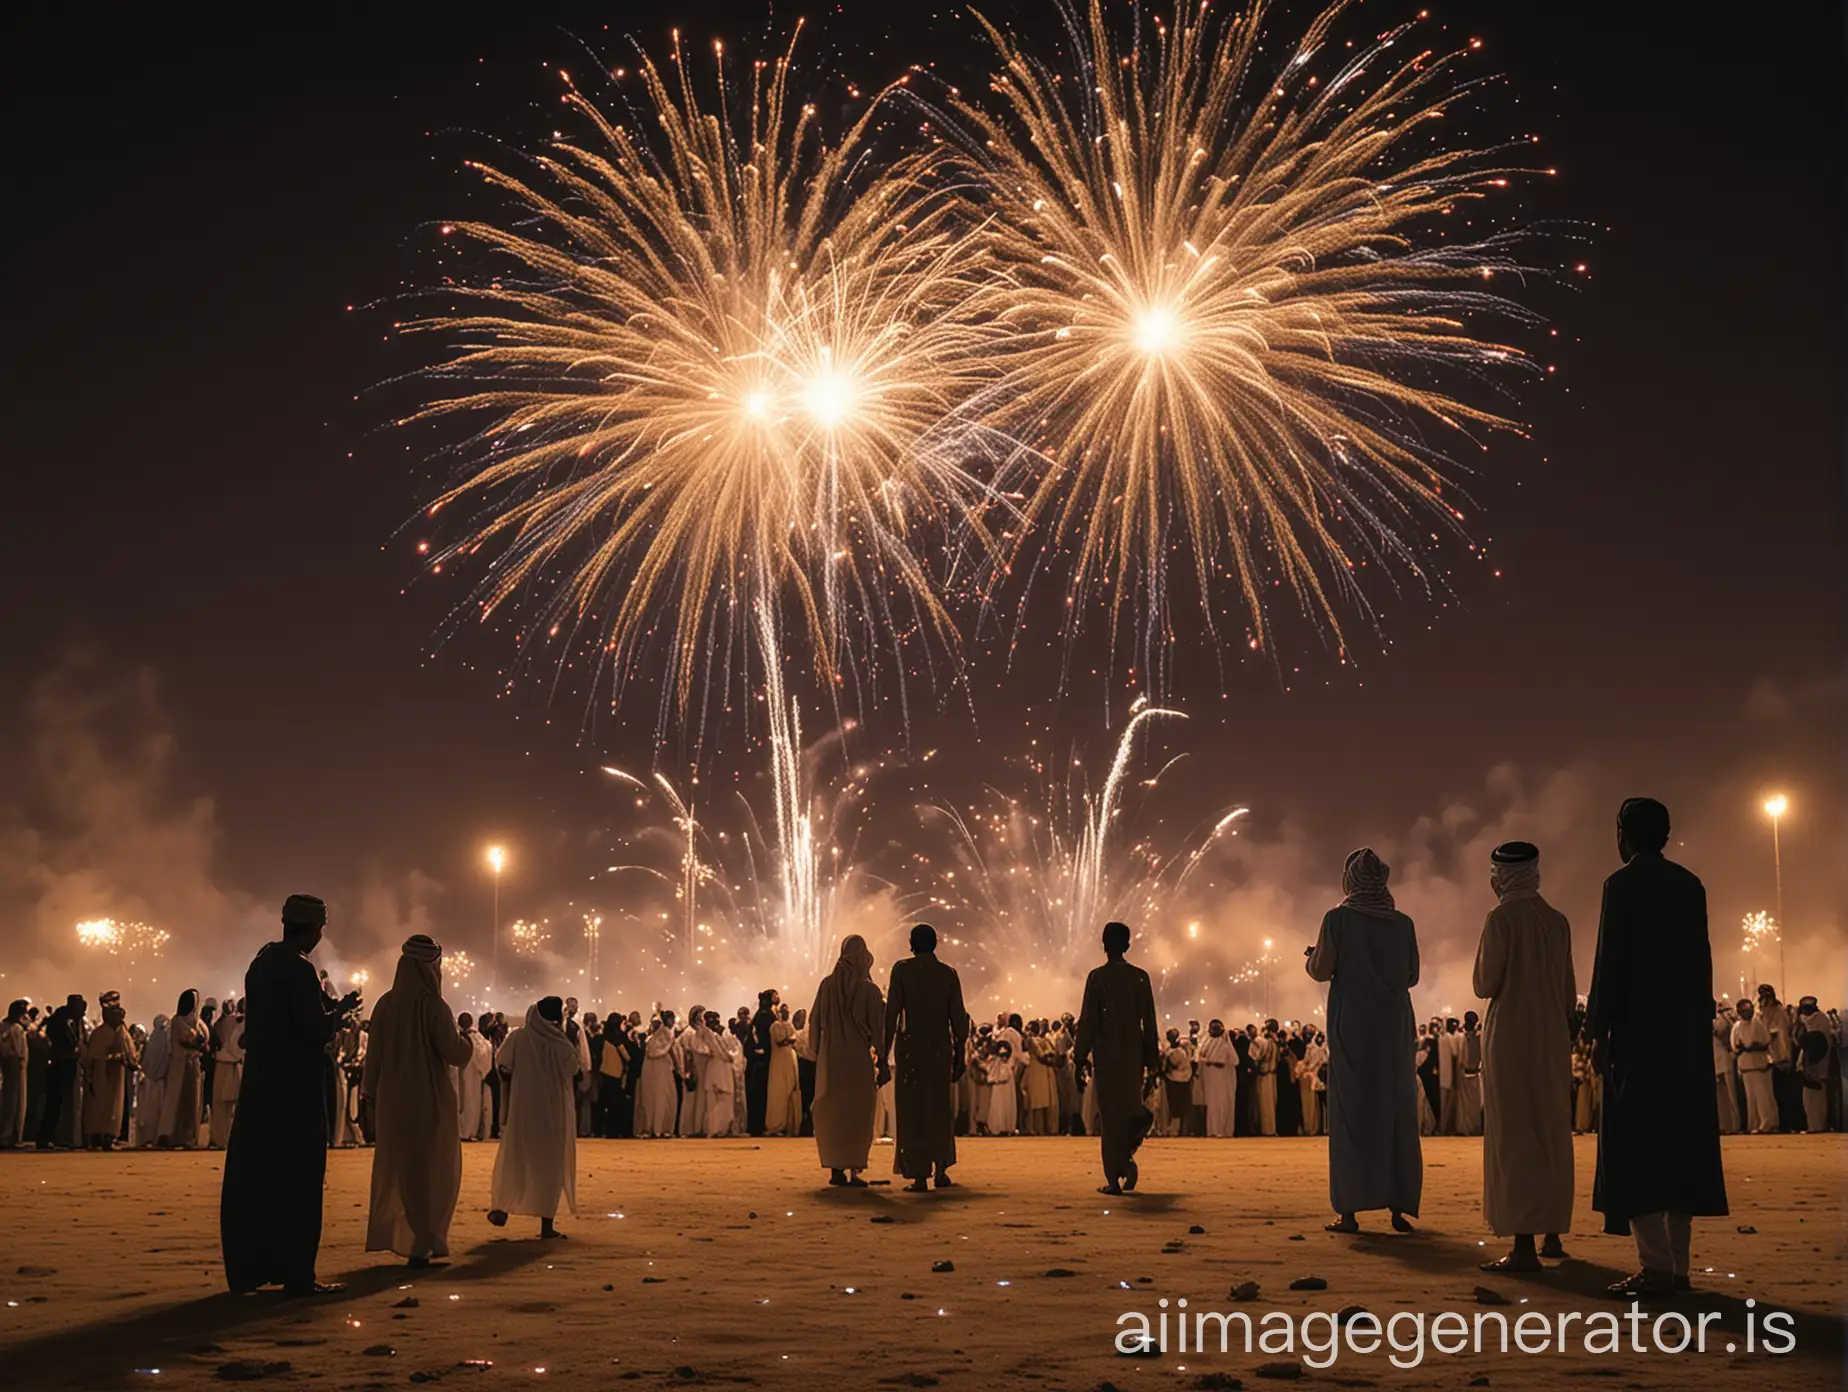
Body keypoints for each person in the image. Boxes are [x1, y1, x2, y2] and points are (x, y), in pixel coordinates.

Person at [1583, 798, 1729, 1297]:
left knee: (1638, 1149)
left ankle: (1655, 1268)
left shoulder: (1621, 886)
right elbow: (1702, 961)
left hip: (1638, 1040)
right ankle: (1679, 1268)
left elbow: (1610, 962)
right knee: (1681, 1148)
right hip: (1684, 1040)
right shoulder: (1690, 886)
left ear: (1624, 834)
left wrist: (1596, 1031)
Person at [221, 894, 362, 1296]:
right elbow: (312, 1030)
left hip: (262, 1086)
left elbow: (283, 1018)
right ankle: (297, 1274)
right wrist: (340, 1014)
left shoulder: (262, 962)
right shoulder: (299, 969)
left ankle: (253, 1268)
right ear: (314, 929)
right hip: (295, 1091)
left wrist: (331, 1007)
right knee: (298, 1179)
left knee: (260, 1177)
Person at [1306, 848, 1422, 1234]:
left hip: (1353, 1027)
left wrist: (1314, 958)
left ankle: (1350, 1210)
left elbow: (1321, 970)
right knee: (1394, 1109)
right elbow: (1411, 975)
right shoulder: (1403, 923)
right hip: (1392, 1028)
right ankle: (1398, 1207)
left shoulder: (1337, 919)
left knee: (1352, 1111)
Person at [1472, 841, 1576, 1272]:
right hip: (1552, 1037)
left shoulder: (1501, 918)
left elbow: (1483, 983)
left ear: (1503, 876)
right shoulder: (1557, 920)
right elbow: (1569, 994)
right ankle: (1552, 1233)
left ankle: (1522, 1247)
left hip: (1511, 1038)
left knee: (1515, 1134)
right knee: (1551, 1127)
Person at [362, 935, 474, 1266]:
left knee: (405, 1169)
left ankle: (415, 1238)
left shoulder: (384, 1004)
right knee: (431, 1168)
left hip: (391, 1101)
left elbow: (374, 1059)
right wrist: (468, 1040)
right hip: (428, 1100)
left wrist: (368, 1097)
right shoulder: (434, 1007)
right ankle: (424, 1240)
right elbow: (454, 1054)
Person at [1074, 921, 1161, 1195]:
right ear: (1128, 945)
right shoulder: (1140, 977)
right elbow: (1150, 1022)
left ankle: (1115, 1175)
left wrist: (1079, 1058)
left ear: (1103, 945)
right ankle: (1126, 1159)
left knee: (1111, 1116)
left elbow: (1088, 1021)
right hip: (1133, 1056)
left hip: (1107, 1056)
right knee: (1131, 1111)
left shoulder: (1097, 978)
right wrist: (1153, 1063)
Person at [881, 923, 969, 1192]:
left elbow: (891, 1014)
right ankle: (941, 1169)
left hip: (910, 1051)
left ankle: (919, 1175)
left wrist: (883, 1055)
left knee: (913, 1110)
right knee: (939, 1108)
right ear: (935, 944)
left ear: (911, 944)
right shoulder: (947, 974)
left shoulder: (902, 970)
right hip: (940, 1050)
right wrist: (960, 1055)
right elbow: (959, 1020)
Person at [488, 997, 580, 1239]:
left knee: (515, 1156)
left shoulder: (519, 1037)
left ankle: (502, 1206)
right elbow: (572, 1068)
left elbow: (502, 1063)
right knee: (549, 1165)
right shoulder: (559, 1042)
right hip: (552, 1111)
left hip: (523, 1109)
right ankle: (546, 1225)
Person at [809, 934, 885, 1187]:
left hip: (831, 1060)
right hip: (858, 1061)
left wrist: (818, 1053)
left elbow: (814, 1021)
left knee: (832, 1113)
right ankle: (854, 1167)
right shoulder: (869, 990)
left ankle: (835, 1169)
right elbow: (878, 1030)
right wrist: (882, 1059)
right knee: (857, 1112)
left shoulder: (826, 986)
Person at [81, 1000, 138, 1149]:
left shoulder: (122, 1033)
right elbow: (93, 1055)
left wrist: (126, 1059)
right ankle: (95, 1136)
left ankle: (110, 1136)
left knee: (115, 1106)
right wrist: (109, 1058)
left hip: (117, 1074)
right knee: (99, 1105)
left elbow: (131, 1053)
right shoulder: (99, 1033)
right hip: (101, 1073)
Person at [158, 990, 209, 1149]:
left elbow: (204, 1041)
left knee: (192, 1100)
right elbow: (186, 1041)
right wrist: (197, 1043)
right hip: (180, 1064)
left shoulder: (198, 1022)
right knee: (175, 1098)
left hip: (193, 1065)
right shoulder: (178, 1021)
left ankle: (188, 1137)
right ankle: (168, 1134)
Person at [1730, 999, 1776, 1133]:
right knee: (1751, 1100)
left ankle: (1767, 1123)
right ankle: (1754, 1125)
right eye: (1744, 1010)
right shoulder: (1737, 1026)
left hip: (1759, 1066)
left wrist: (1751, 1047)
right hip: (1745, 1066)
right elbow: (1734, 1046)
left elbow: (1765, 1042)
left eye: (1749, 1009)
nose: (1747, 1012)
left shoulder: (1757, 1023)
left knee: (1763, 1097)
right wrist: (1742, 1048)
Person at [635, 1011, 680, 1138]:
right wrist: (679, 1068)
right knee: (660, 1097)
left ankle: (654, 1127)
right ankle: (659, 1128)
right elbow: (671, 1052)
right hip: (660, 1070)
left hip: (656, 1069)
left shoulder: (653, 1037)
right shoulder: (665, 1035)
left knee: (656, 1097)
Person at [210, 1000, 245, 1148]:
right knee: (222, 1106)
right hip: (227, 1065)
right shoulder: (234, 1021)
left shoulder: (241, 1022)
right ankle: (221, 1139)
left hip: (232, 1065)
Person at [455, 1012, 494, 1141]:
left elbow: (485, 1057)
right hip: (459, 1077)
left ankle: (468, 1131)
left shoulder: (477, 1039)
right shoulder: (457, 1036)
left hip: (471, 1077)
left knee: (470, 1103)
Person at [1195, 1019, 1236, 1137]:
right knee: (1211, 1105)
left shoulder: (1225, 1043)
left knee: (1221, 1104)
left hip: (1221, 1080)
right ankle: (1212, 1130)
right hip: (1209, 1078)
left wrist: (1211, 1061)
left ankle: (1221, 1130)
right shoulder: (1206, 1041)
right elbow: (1200, 1056)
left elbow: (1228, 1061)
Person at [767, 1004, 802, 1136]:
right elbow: (780, 1042)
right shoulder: (776, 1026)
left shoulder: (790, 1026)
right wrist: (789, 1040)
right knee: (779, 1093)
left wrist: (789, 1041)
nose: (786, 1013)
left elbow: (792, 1041)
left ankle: (790, 1125)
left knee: (791, 1090)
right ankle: (776, 1125)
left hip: (790, 1060)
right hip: (779, 1062)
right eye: (783, 1011)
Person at [745, 990, 776, 1136]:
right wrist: (761, 1050)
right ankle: (757, 1125)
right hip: (761, 1059)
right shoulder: (764, 1016)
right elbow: (758, 1036)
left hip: (762, 1058)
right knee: (759, 1091)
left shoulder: (764, 1014)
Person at [0, 999, 29, 1148]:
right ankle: (7, 1136)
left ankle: (14, 1136)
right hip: (13, 1067)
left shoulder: (15, 1028)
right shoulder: (9, 1028)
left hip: (19, 1067)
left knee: (17, 1101)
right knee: (11, 1101)